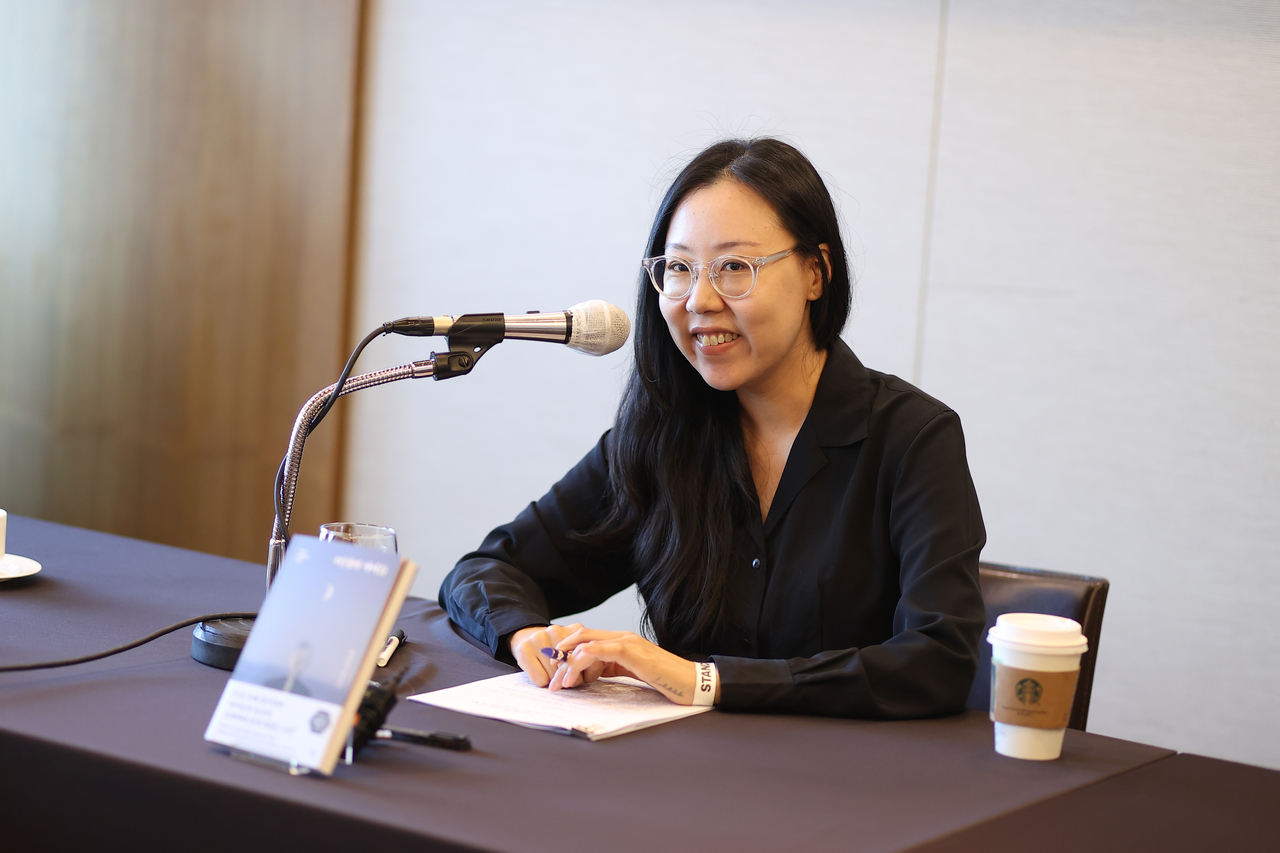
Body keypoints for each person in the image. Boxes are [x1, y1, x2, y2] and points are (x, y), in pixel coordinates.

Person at [439, 138, 986, 718]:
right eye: (679, 269)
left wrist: (705, 681)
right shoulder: (661, 435)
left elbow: (938, 661)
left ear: (815, 273)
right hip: (685, 778)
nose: (699, 300)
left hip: (847, 786)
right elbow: (488, 571)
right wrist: (528, 638)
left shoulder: (912, 438)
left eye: (734, 267)